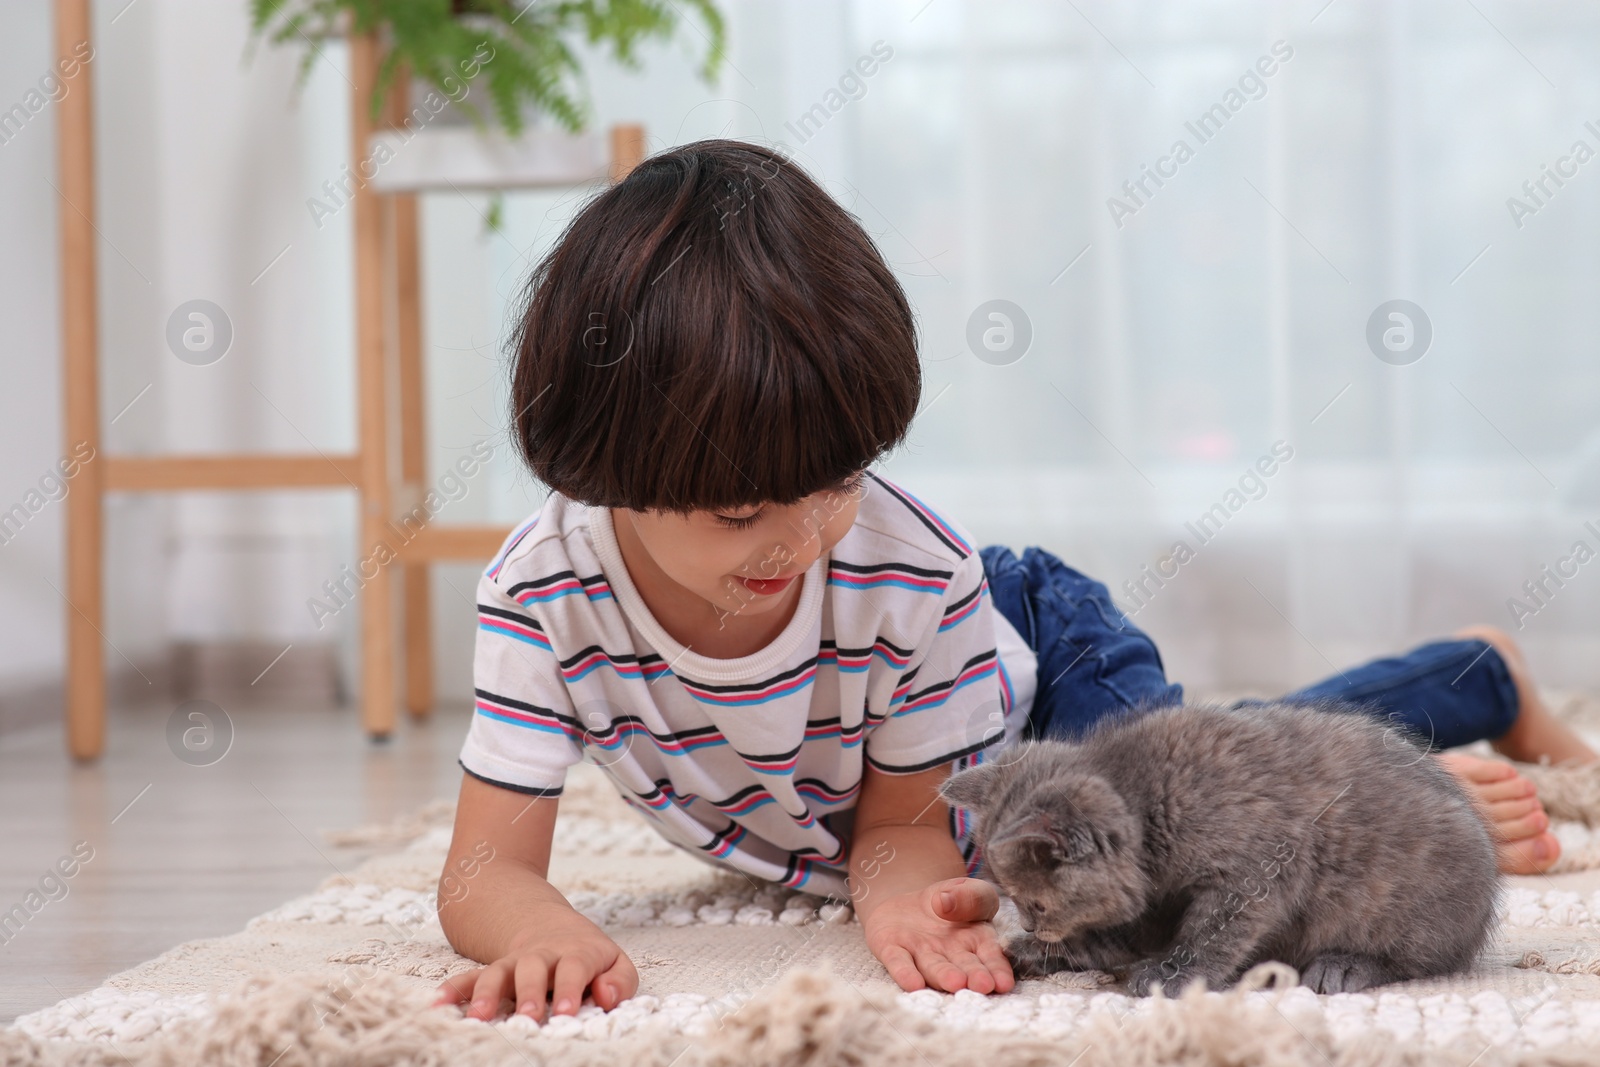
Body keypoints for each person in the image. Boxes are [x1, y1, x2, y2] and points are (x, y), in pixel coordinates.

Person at [432, 139, 1597, 1024]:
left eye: (839, 480)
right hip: (901, 757)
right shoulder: (542, 595)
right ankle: (1463, 685)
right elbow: (485, 864)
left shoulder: (905, 568)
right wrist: (534, 927)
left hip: (1026, 663)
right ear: (604, 470)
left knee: (1196, 823)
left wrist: (895, 892)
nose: (803, 536)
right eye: (742, 510)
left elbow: (897, 822)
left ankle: (1448, 707)